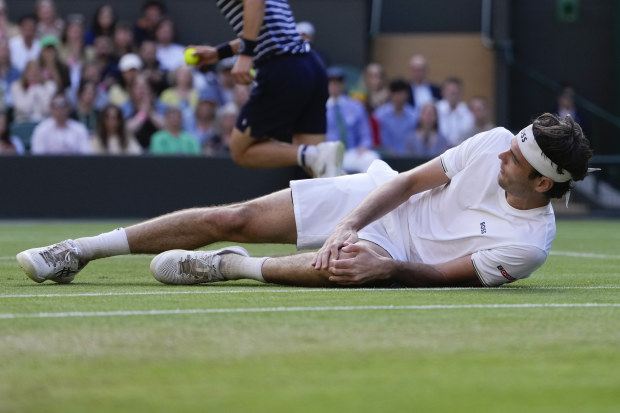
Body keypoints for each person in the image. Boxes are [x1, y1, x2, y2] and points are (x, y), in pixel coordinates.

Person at [17, 113, 594, 289]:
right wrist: (348, 221)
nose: (501, 159)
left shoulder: (526, 247)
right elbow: (409, 182)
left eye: (515, 163)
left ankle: (226, 267)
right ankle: (80, 251)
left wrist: (385, 264)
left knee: (352, 270)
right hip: (372, 199)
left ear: (544, 183)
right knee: (234, 216)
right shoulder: (494, 141)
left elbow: (443, 275)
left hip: (397, 250)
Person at [187, 0, 343, 177]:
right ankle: (367, 195)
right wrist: (219, 53)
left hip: (283, 68)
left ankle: (314, 155)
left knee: (241, 150)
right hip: (310, 65)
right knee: (322, 170)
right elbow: (268, 29)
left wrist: (246, 55)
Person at [325, 67, 379, 173]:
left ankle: (374, 190)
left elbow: (365, 134)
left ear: (343, 84)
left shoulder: (356, 106)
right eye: (332, 82)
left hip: (352, 152)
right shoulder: (319, 108)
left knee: (372, 158)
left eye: (338, 82)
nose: (335, 86)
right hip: (329, 155)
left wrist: (364, 146)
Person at [374, 78, 418, 156]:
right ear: (390, 94)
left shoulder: (414, 116)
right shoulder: (379, 115)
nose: (398, 97)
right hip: (385, 157)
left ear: (407, 94)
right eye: (395, 93)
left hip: (408, 157)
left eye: (401, 93)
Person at [123, 72, 165, 149]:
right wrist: (142, 114)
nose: (141, 90)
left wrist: (151, 113)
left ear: (151, 90)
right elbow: (124, 131)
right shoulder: (125, 107)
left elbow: (168, 129)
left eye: (144, 87)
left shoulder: (160, 105)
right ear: (131, 91)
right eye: (137, 87)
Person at [436, 77, 474, 147]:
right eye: (449, 91)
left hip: (461, 150)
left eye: (455, 92)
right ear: (443, 92)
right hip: (438, 151)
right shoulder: (435, 110)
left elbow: (468, 135)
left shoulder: (468, 112)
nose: (452, 94)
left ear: (461, 93)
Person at [0, 37, 20, 111]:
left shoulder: (17, 73)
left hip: (14, 109)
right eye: (2, 50)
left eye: (6, 50)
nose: (4, 54)